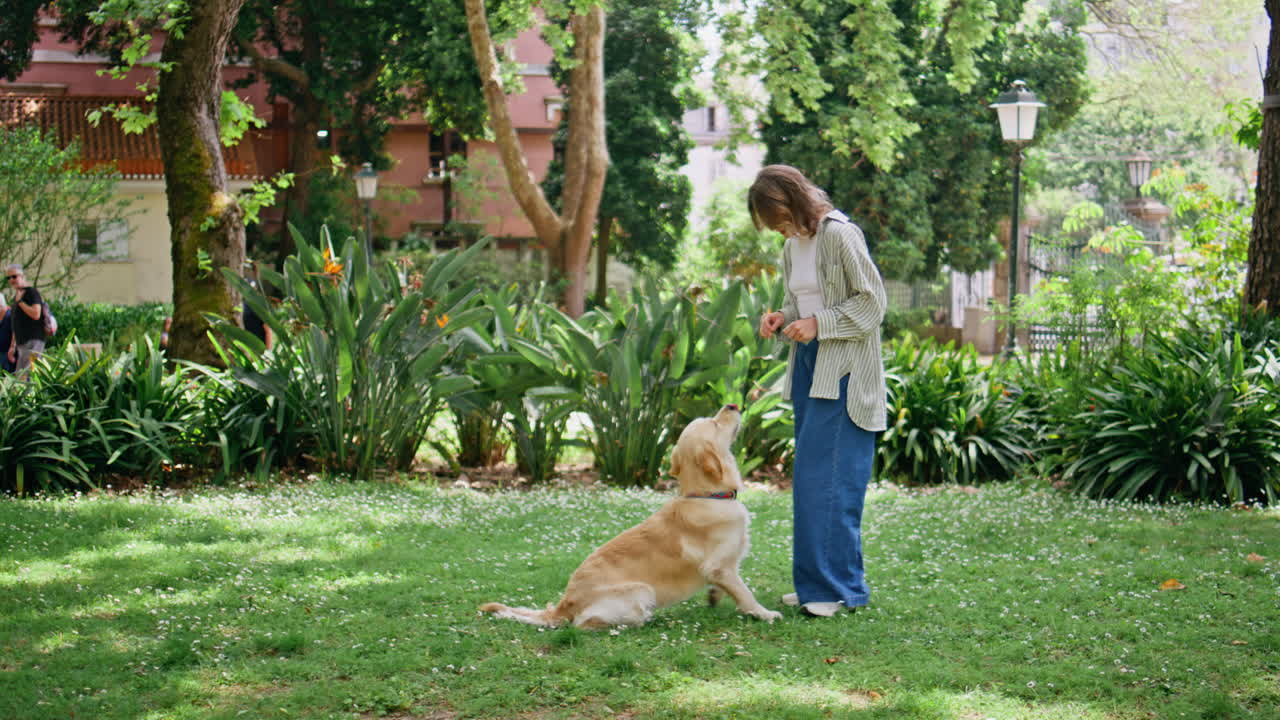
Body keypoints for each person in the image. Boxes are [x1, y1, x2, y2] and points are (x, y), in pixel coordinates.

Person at [748, 165, 887, 618]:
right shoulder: (794, 246)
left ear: (794, 202)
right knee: (811, 479)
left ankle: (837, 589)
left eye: (781, 220)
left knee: (833, 482)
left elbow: (872, 303)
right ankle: (815, 585)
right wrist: (782, 317)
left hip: (844, 368)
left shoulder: (840, 234)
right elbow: (801, 301)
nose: (780, 231)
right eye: (774, 227)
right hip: (809, 365)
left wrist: (817, 324)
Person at [6, 264, 46, 378]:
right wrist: (12, 346)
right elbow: (15, 323)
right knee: (20, 376)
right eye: (8, 278)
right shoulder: (17, 297)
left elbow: (36, 314)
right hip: (21, 343)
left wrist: (21, 303)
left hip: (34, 340)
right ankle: (23, 396)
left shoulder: (31, 293)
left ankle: (31, 396)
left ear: (22, 276)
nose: (11, 280)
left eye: (14, 276)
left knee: (30, 374)